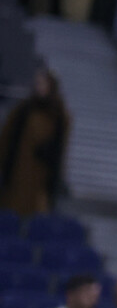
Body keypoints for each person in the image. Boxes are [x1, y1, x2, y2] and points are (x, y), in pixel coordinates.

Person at [0, 65, 71, 217]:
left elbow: (60, 150)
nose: (39, 87)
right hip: (18, 174)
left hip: (41, 177)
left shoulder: (59, 116)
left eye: (43, 83)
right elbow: (6, 139)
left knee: (36, 215)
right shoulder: (23, 110)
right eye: (38, 83)